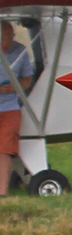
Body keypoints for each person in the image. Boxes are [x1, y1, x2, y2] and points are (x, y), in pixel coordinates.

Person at [0, 22, 36, 192]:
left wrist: (14, 86)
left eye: (9, 37)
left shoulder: (20, 51)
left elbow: (27, 80)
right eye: (2, 38)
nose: (5, 42)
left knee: (4, 149)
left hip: (10, 107)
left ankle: (2, 192)